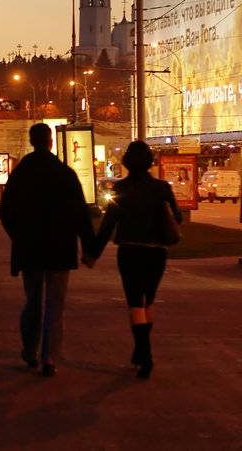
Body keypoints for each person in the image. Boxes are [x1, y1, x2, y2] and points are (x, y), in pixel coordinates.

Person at [0, 123, 96, 377]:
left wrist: (17, 236)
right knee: (55, 304)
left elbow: (5, 211)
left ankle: (30, 351)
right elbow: (80, 214)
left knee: (32, 301)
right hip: (60, 250)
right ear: (51, 142)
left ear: (32, 142)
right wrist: (88, 248)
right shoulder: (65, 173)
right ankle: (49, 358)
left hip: (30, 249)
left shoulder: (21, 174)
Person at [89, 141, 179, 379]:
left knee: (134, 302)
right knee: (148, 301)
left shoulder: (122, 189)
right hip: (157, 252)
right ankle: (142, 351)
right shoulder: (162, 188)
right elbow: (177, 218)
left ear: (127, 162)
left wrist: (93, 254)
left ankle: (144, 352)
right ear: (150, 161)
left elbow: (107, 226)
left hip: (129, 252)